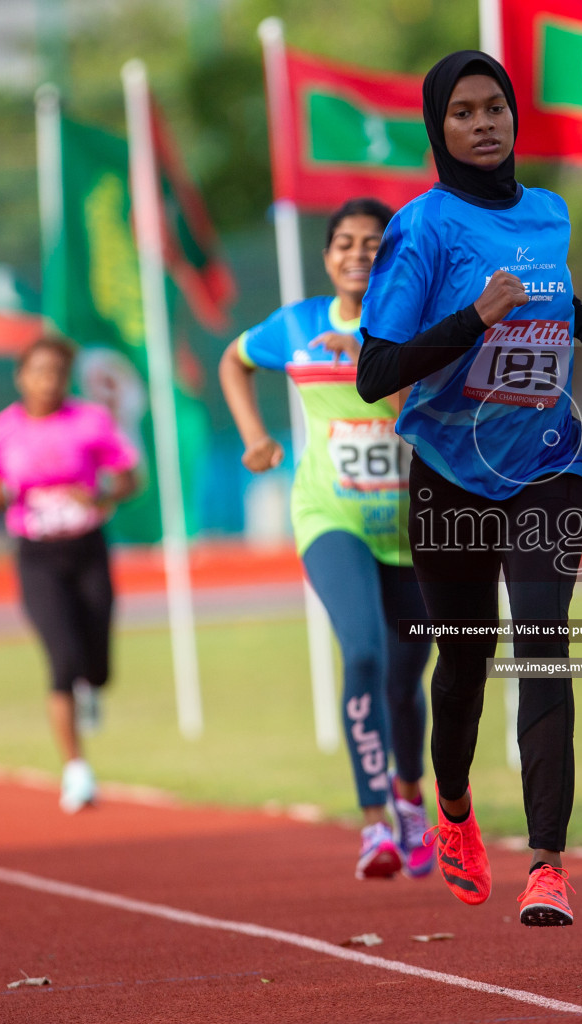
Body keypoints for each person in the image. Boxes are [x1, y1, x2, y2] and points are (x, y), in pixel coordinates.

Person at [355, 50, 582, 927]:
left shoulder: (548, 213)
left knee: (543, 640)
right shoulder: (422, 228)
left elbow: (553, 300)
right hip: (448, 473)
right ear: (440, 129)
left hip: (548, 462)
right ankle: (455, 804)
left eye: (496, 108)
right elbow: (375, 370)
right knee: (467, 656)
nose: (484, 123)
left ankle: (547, 862)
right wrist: (474, 318)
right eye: (464, 112)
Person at [218, 197, 435, 881]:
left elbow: (436, 414)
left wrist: (380, 360)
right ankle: (374, 824)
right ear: (326, 255)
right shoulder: (298, 324)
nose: (357, 255)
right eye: (344, 243)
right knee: (363, 652)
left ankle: (408, 799)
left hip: (413, 525)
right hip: (330, 514)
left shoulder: (425, 326)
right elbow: (233, 359)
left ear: (391, 255)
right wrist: (255, 436)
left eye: (372, 244)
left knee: (407, 678)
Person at [0, 336, 141, 814]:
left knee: (97, 667)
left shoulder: (91, 421)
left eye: (56, 372)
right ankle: (76, 770)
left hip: (88, 550)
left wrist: (103, 495)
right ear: (21, 376)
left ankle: (92, 687)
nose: (47, 381)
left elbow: (130, 477)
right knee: (62, 661)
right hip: (37, 555)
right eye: (38, 371)